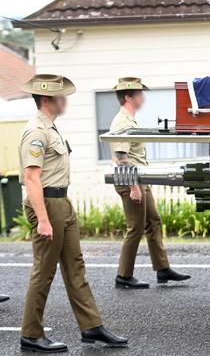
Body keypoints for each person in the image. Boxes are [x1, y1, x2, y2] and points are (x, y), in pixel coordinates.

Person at [18, 74, 127, 353]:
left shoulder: (51, 128)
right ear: (46, 99)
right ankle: (31, 334)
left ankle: (91, 326)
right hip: (47, 204)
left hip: (62, 202)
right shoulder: (36, 131)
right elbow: (31, 178)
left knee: (75, 266)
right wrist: (42, 219)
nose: (65, 99)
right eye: (60, 95)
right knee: (44, 270)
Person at [109, 77, 190, 289]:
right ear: (128, 96)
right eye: (139, 93)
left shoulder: (130, 120)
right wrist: (133, 187)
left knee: (153, 221)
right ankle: (123, 275)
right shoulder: (122, 122)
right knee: (135, 228)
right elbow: (120, 157)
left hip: (139, 179)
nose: (142, 96)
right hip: (131, 182)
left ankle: (162, 269)